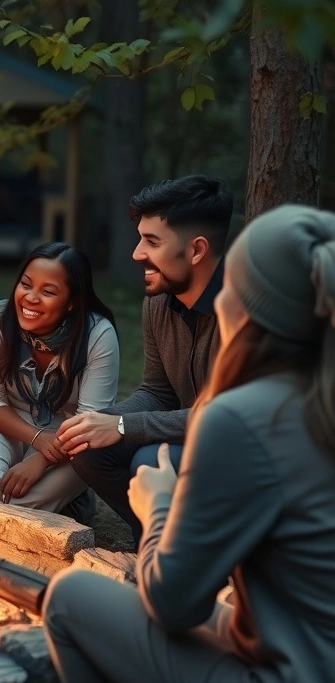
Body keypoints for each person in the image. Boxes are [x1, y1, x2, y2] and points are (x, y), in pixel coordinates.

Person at [42, 204, 335, 683]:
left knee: (68, 597)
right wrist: (106, 423)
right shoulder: (313, 401)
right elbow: (155, 390)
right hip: (303, 649)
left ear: (245, 303)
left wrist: (160, 509)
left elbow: (174, 607)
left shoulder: (243, 418)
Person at [60, 175, 231, 542]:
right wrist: (102, 421)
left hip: (243, 450)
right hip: (187, 436)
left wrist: (123, 427)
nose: (137, 253)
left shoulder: (244, 311)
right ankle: (164, 538)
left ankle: (186, 553)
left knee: (150, 460)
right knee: (87, 445)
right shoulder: (157, 303)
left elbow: (227, 417)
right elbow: (158, 392)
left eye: (152, 241)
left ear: (197, 250)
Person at [0, 242, 119, 516]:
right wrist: (36, 438)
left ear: (72, 301)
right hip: (9, 422)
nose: (30, 298)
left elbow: (89, 421)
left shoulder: (97, 335)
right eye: (26, 284)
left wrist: (39, 461)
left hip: (72, 442)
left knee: (7, 510)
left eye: (48, 292)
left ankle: (62, 502)